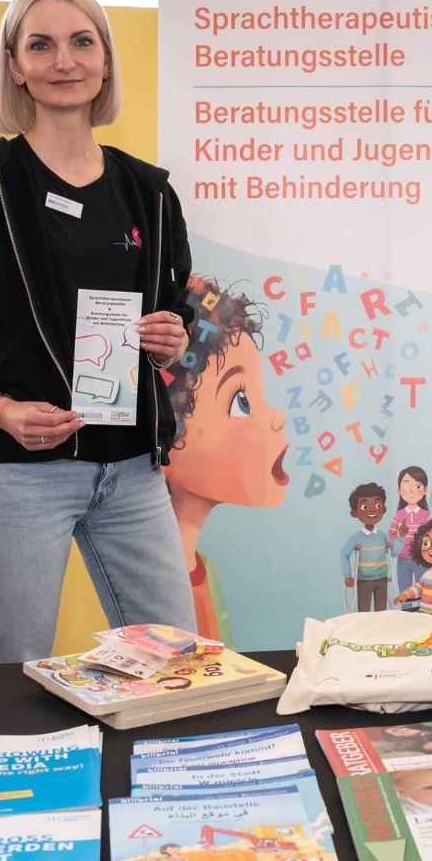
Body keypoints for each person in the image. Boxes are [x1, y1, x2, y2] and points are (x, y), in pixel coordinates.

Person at [0, 0, 198, 663]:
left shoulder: (148, 192)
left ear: (105, 59)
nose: (64, 60)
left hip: (131, 473)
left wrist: (169, 337)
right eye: (41, 44)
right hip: (20, 477)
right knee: (12, 680)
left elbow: (170, 320)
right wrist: (0, 409)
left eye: (81, 41)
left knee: (178, 669)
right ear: (15, 65)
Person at [161, 275, 288, 645]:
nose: (276, 417)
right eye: (241, 400)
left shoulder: (204, 571)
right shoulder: (141, 583)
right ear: (166, 432)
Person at [340, 482, 393, 611]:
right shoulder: (356, 538)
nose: (372, 510)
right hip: (363, 581)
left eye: (377, 505)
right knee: (364, 612)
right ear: (354, 513)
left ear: (383, 509)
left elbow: (394, 552)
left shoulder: (382, 536)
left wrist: (401, 536)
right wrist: (347, 576)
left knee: (382, 611)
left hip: (382, 580)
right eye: (365, 506)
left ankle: (381, 631)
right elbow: (344, 555)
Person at [387, 466, 432, 607]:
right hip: (403, 560)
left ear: (425, 490)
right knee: (404, 592)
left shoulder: (426, 515)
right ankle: (406, 617)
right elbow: (390, 537)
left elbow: (431, 538)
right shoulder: (398, 515)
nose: (411, 490)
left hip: (421, 560)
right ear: (399, 490)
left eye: (417, 485)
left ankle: (423, 615)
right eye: (406, 484)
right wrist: (400, 536)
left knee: (423, 591)